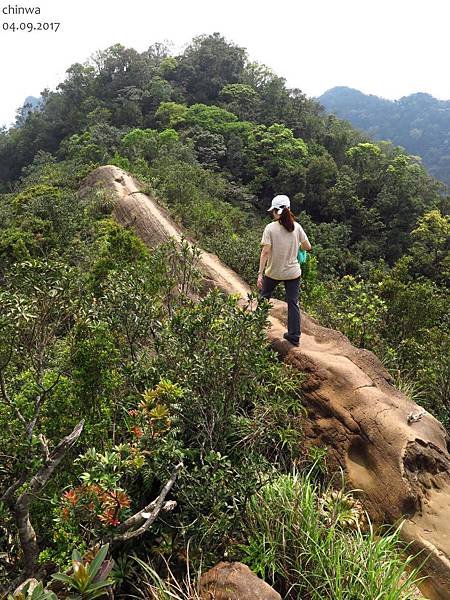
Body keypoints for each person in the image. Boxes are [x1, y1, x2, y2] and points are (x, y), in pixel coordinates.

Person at [257, 194, 311, 346]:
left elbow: (265, 252)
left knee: (264, 297)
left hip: (273, 272)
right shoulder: (297, 227)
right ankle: (294, 336)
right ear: (289, 209)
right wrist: (297, 246)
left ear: (275, 211)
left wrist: (260, 273)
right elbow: (308, 247)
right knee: (293, 302)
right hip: (293, 273)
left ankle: (255, 326)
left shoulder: (270, 228)